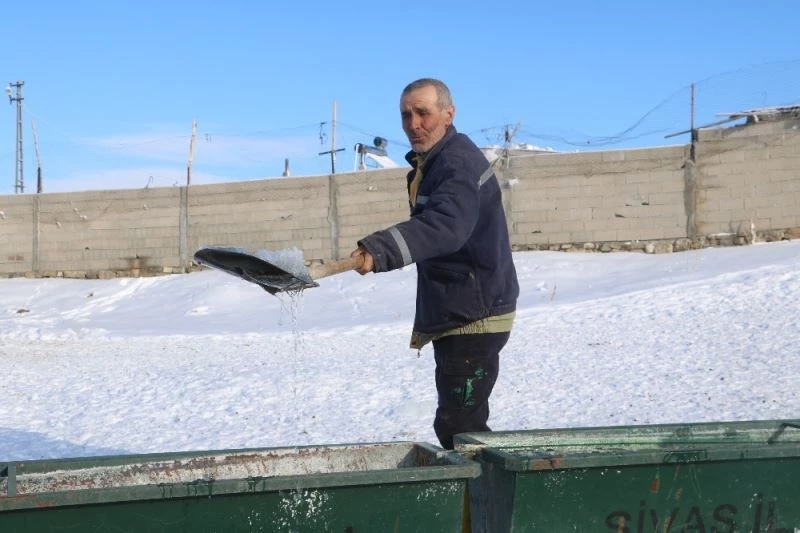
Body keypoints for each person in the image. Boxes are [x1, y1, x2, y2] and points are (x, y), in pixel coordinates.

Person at [350, 78, 519, 449]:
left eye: (423, 113)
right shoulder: (438, 161)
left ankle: (485, 502)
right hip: (465, 308)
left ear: (448, 113)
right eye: (406, 115)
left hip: (474, 316)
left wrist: (381, 250)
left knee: (461, 431)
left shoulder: (456, 163)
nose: (413, 124)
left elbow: (446, 227)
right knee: (461, 426)